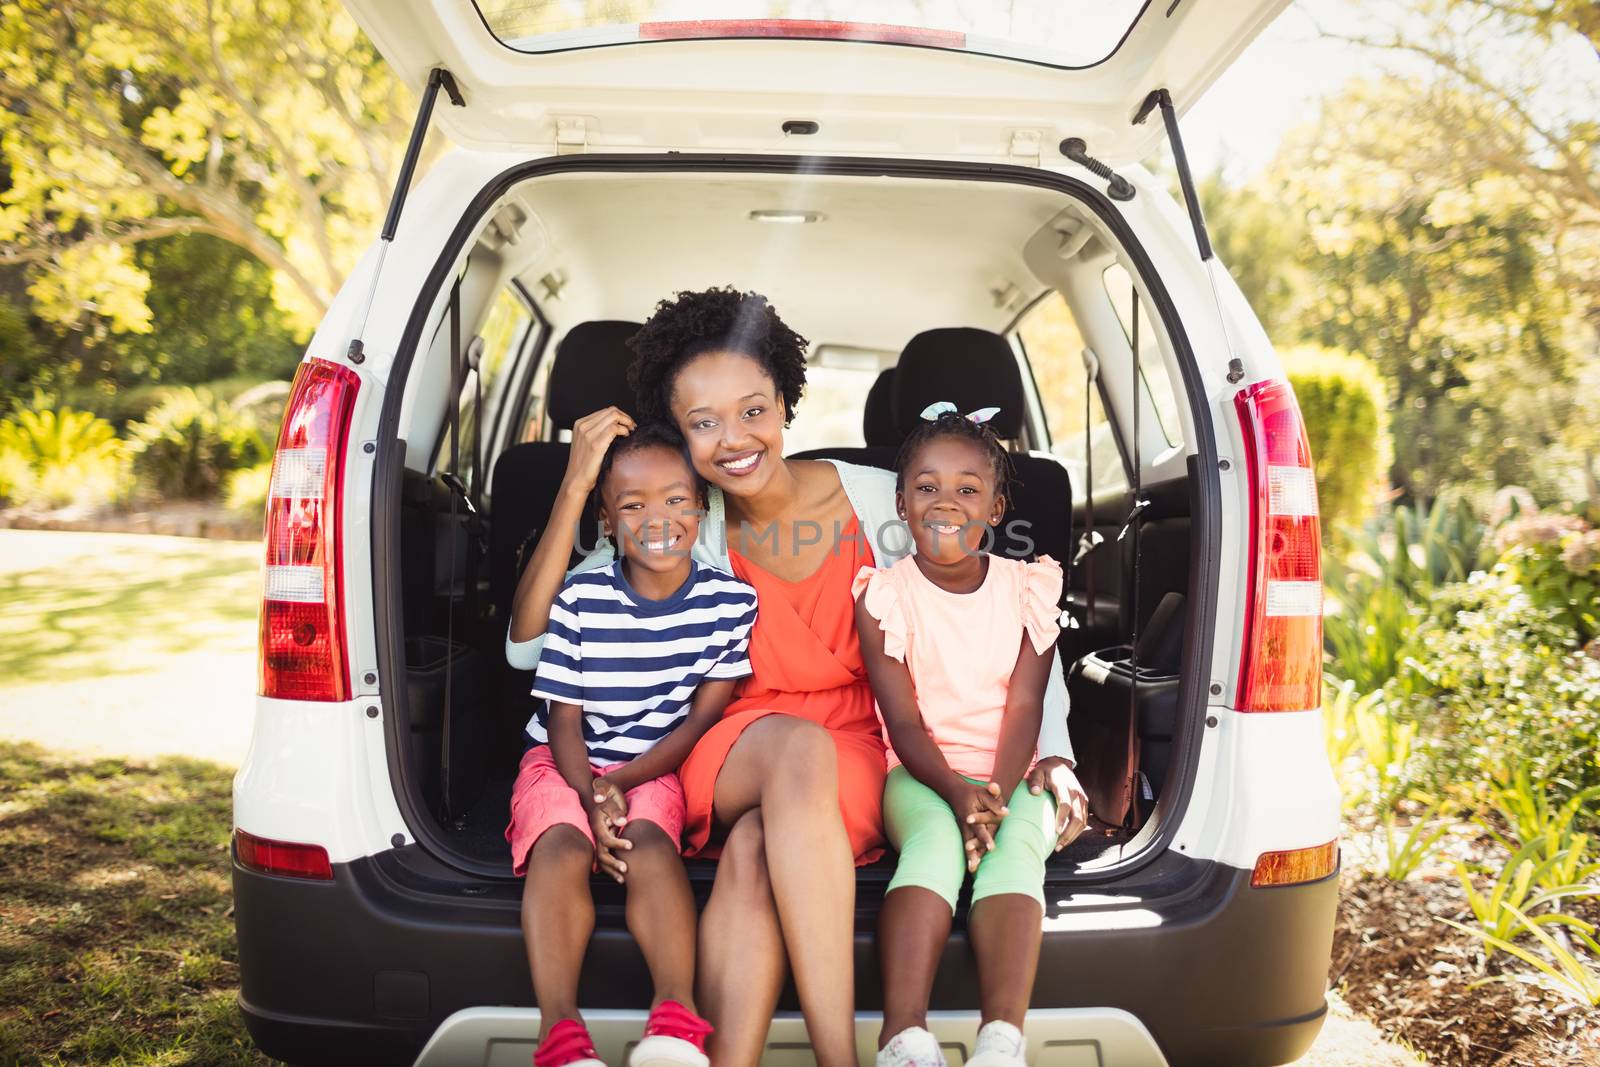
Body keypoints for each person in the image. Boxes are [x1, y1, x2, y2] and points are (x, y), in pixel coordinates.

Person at [508, 288, 1089, 1067]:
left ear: (784, 402)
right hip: (727, 743)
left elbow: (1004, 616)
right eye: (703, 423)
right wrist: (576, 487)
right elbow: (527, 648)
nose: (734, 439)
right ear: (677, 435)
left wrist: (1053, 749)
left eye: (753, 410)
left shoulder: (884, 498)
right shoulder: (678, 524)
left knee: (754, 849)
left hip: (867, 748)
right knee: (794, 752)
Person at [506, 422, 757, 1067]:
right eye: (633, 504)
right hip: (563, 762)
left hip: (656, 764)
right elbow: (563, 719)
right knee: (558, 848)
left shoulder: (731, 604)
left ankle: (675, 1018)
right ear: (607, 521)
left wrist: (624, 782)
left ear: (702, 510)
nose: (658, 518)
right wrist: (590, 792)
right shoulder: (580, 596)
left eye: (676, 500)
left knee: (650, 847)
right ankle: (560, 1031)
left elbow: (698, 723)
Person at [854, 403, 1087, 1067]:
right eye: (926, 487)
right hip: (921, 773)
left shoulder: (1028, 589)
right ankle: (902, 1034)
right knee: (934, 850)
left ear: (995, 507)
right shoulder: (883, 595)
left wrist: (995, 793)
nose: (945, 502)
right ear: (900, 503)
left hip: (1015, 771)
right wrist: (958, 796)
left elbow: (1025, 705)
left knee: (1015, 855)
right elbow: (902, 720)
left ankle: (1001, 1038)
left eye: (967, 488)